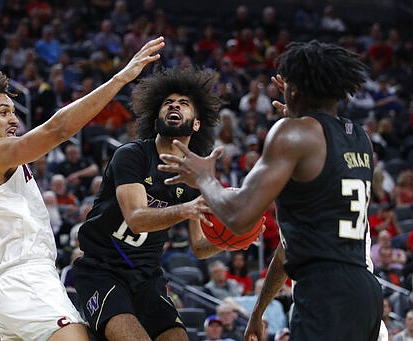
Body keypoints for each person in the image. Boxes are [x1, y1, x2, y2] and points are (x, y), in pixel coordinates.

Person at [0, 3, 164, 340]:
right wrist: (121, 77)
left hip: (16, 287)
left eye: (13, 111)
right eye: (4, 111)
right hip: (27, 283)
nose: (14, 119)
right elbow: (56, 130)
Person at [158, 40, 383, 340]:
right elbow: (321, 175)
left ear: (296, 90)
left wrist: (204, 179)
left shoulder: (293, 133)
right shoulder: (359, 138)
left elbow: (238, 217)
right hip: (365, 291)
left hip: (325, 291)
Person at [72, 66, 222, 341]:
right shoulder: (132, 155)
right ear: (157, 119)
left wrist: (231, 240)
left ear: (197, 123)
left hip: (147, 277)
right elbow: (136, 218)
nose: (174, 105)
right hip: (102, 270)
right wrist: (187, 209)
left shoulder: (194, 178)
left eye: (184, 103)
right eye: (168, 103)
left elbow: (199, 248)